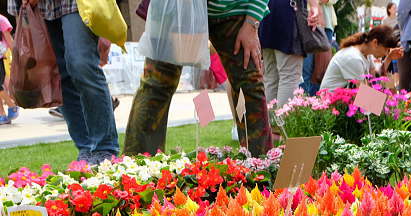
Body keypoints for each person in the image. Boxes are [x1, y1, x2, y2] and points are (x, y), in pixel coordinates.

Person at [124, 0, 272, 156]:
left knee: (250, 87)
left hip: (232, 9)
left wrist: (251, 23)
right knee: (156, 86)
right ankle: (136, 171)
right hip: (178, 6)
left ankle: (260, 167)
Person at [8, 0, 118, 164]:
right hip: (40, 7)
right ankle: (85, 148)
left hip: (75, 3)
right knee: (60, 74)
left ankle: (104, 148)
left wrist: (104, 26)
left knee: (81, 65)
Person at [260, 0, 320, 108]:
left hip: (264, 11)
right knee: (289, 76)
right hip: (288, 12)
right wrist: (314, 6)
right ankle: (283, 124)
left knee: (270, 78)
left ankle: (269, 124)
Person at [320, 25, 402, 90]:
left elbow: (375, 78)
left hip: (342, 104)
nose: (385, 53)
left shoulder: (367, 54)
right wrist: (391, 104)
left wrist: (389, 58)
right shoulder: (354, 58)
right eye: (386, 49)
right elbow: (364, 98)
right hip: (330, 107)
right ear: (375, 42)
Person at [0, 13, 18, 125]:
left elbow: (9, 39)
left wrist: (17, 56)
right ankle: (1, 114)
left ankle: (12, 105)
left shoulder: (1, 19)